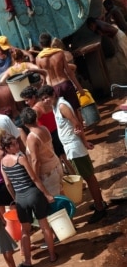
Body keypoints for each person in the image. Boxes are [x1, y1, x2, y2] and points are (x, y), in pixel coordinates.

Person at [38, 85, 107, 224]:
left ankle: (100, 207)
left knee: (89, 177)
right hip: (72, 147)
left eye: (47, 97)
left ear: (53, 95)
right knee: (88, 176)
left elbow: (76, 124)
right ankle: (99, 203)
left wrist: (84, 142)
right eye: (43, 98)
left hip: (75, 147)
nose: (45, 100)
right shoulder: (55, 106)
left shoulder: (62, 106)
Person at [0, 134, 57, 267]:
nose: (17, 145)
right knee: (44, 226)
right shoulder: (21, 158)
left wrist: (15, 198)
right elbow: (34, 178)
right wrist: (47, 194)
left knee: (25, 231)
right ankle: (52, 255)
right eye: (13, 144)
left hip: (20, 198)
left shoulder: (2, 163)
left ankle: (27, 261)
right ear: (7, 148)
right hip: (33, 194)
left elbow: (8, 183)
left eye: (16, 143)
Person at [20, 85, 75, 175]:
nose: (26, 103)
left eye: (27, 100)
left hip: (48, 136)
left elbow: (34, 126)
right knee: (65, 157)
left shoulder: (35, 110)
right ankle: (77, 178)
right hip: (58, 132)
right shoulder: (47, 102)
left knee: (57, 159)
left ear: (33, 97)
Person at [36, 32, 84, 120]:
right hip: (65, 84)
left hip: (53, 89)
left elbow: (43, 79)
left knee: (62, 114)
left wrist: (43, 96)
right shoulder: (59, 53)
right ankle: (82, 132)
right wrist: (79, 88)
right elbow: (69, 72)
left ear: (40, 44)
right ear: (51, 42)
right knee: (75, 111)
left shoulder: (39, 59)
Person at [20, 107, 63, 196]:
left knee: (53, 202)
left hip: (47, 173)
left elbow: (35, 160)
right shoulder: (44, 128)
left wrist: (35, 179)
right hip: (56, 165)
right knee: (61, 194)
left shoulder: (32, 137)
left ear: (24, 123)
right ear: (36, 118)